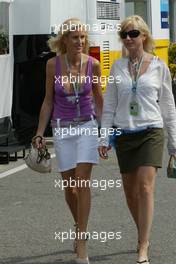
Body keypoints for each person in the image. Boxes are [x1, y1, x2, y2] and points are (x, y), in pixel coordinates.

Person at [99, 15, 176, 264]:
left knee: (145, 187)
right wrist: (104, 137)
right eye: (124, 34)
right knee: (131, 194)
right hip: (124, 133)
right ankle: (143, 232)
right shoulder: (117, 67)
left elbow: (168, 105)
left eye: (133, 33)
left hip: (151, 131)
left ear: (144, 36)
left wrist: (173, 144)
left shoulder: (158, 66)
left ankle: (143, 246)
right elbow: (109, 104)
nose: (128, 38)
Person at [33, 18, 103, 264]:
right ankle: (78, 224)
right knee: (70, 187)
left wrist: (104, 133)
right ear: (64, 40)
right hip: (62, 129)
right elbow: (48, 100)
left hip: (86, 126)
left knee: (83, 183)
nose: (80, 42)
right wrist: (40, 133)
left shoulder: (93, 64)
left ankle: (82, 242)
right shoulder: (53, 65)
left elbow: (99, 98)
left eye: (83, 37)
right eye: (75, 37)